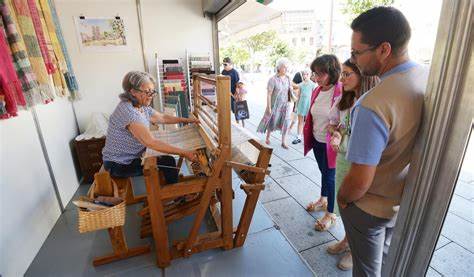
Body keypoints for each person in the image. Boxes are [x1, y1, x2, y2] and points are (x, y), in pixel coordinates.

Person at [337, 7, 428, 276]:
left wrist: (343, 198)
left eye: (356, 53)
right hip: (400, 202)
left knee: (366, 271)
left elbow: (359, 181)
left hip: (369, 208)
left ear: (384, 49)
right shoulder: (424, 77)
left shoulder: (373, 104)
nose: (354, 60)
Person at [325, 59, 379, 271]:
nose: (342, 79)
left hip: (363, 162)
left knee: (358, 204)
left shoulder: (373, 102)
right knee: (344, 202)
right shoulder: (343, 100)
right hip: (344, 157)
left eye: (348, 74)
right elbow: (333, 125)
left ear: (362, 75)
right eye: (343, 74)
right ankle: (346, 240)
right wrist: (336, 134)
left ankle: (354, 251)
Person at [102, 71, 198, 183]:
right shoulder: (129, 112)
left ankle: (171, 187)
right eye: (147, 92)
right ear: (133, 92)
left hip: (128, 158)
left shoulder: (140, 106)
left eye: (152, 91)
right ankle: (175, 195)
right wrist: (185, 152)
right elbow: (150, 142)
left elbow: (162, 118)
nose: (151, 96)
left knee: (166, 157)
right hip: (119, 164)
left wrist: (187, 120)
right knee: (168, 161)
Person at [303, 54, 342, 231]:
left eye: (320, 74)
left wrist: (336, 134)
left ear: (332, 72)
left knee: (331, 176)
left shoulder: (340, 90)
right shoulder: (317, 90)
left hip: (331, 143)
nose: (316, 78)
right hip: (317, 140)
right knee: (323, 172)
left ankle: (331, 214)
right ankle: (323, 199)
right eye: (315, 74)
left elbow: (344, 119)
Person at [257, 57, 293, 149]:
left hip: (286, 105)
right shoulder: (273, 79)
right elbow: (269, 94)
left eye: (287, 67)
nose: (286, 69)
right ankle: (268, 137)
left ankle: (283, 141)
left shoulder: (288, 78)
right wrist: (268, 107)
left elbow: (290, 90)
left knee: (286, 122)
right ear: (279, 68)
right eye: (284, 67)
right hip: (275, 105)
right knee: (272, 120)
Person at [291, 68, 316, 144]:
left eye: (307, 74)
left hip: (309, 105)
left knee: (308, 122)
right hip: (301, 105)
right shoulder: (301, 84)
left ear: (310, 75)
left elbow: (314, 96)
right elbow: (298, 95)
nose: (305, 76)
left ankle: (307, 138)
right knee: (300, 121)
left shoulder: (313, 85)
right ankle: (299, 137)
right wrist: (296, 106)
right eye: (304, 74)